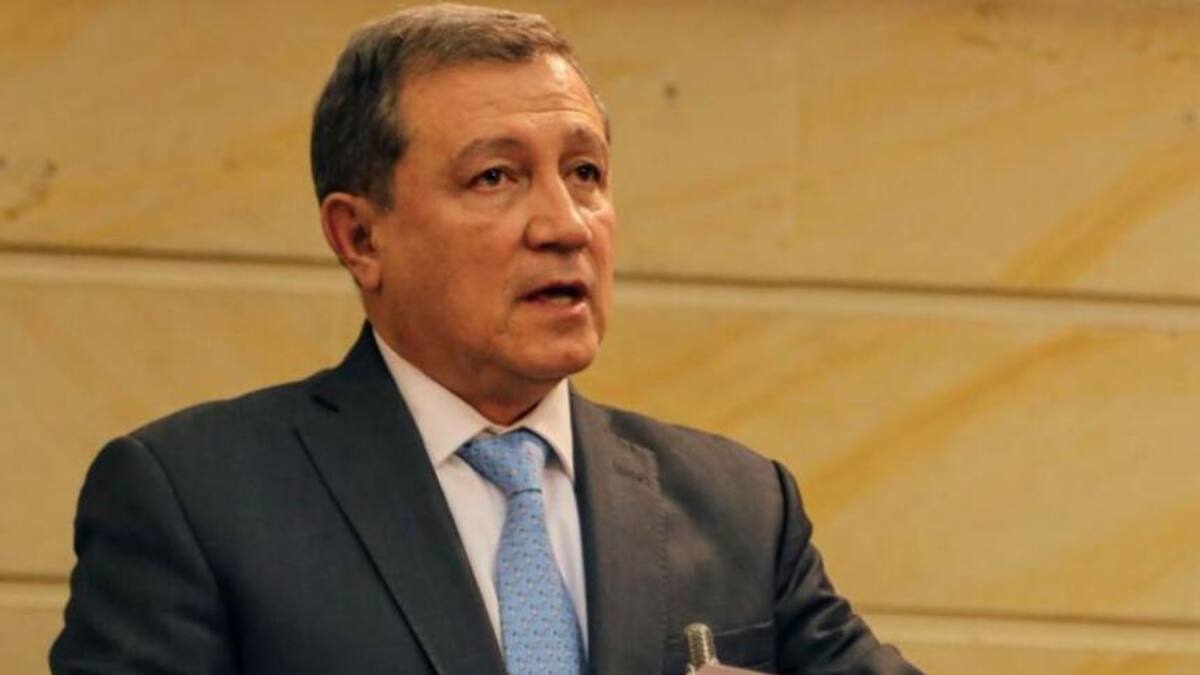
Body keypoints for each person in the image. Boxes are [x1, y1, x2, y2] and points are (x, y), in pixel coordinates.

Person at [51, 4, 921, 674]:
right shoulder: (194, 500)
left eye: (585, 172)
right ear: (360, 237)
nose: (565, 224)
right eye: (496, 176)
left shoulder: (739, 505)